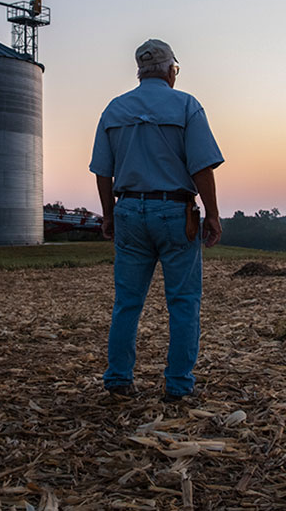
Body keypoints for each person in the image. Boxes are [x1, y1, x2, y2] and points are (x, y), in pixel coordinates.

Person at [89, 39, 223, 401]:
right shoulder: (186, 106)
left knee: (127, 302)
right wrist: (211, 214)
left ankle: (118, 379)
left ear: (139, 71)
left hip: (129, 209)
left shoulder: (115, 110)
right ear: (170, 71)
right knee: (183, 302)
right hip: (174, 212)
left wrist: (109, 214)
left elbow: (103, 172)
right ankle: (178, 385)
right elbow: (201, 167)